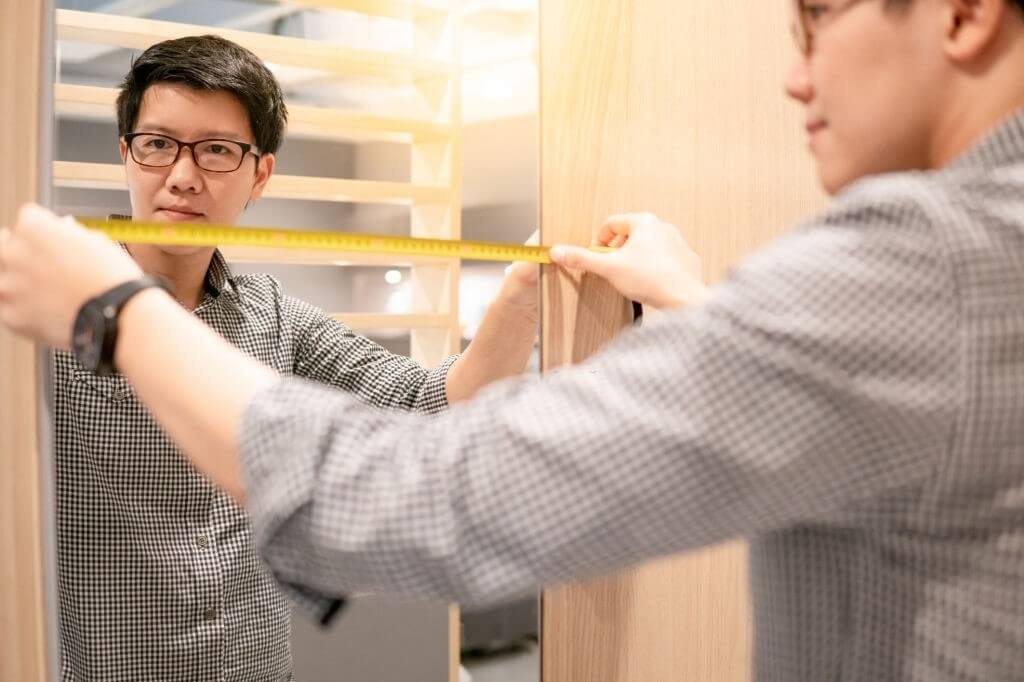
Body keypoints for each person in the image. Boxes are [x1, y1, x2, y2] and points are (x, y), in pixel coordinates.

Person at [5, 0, 1024, 679]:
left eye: (816, 18)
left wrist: (111, 314)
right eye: (157, 146)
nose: (795, 79)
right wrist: (699, 306)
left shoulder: (926, 259)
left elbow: (434, 473)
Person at [34, 34, 539, 682]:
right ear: (126, 154)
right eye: (158, 145)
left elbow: (436, 403)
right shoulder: (55, 310)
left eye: (216, 150)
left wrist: (524, 293)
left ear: (260, 175)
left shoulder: (273, 318)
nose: (182, 175)